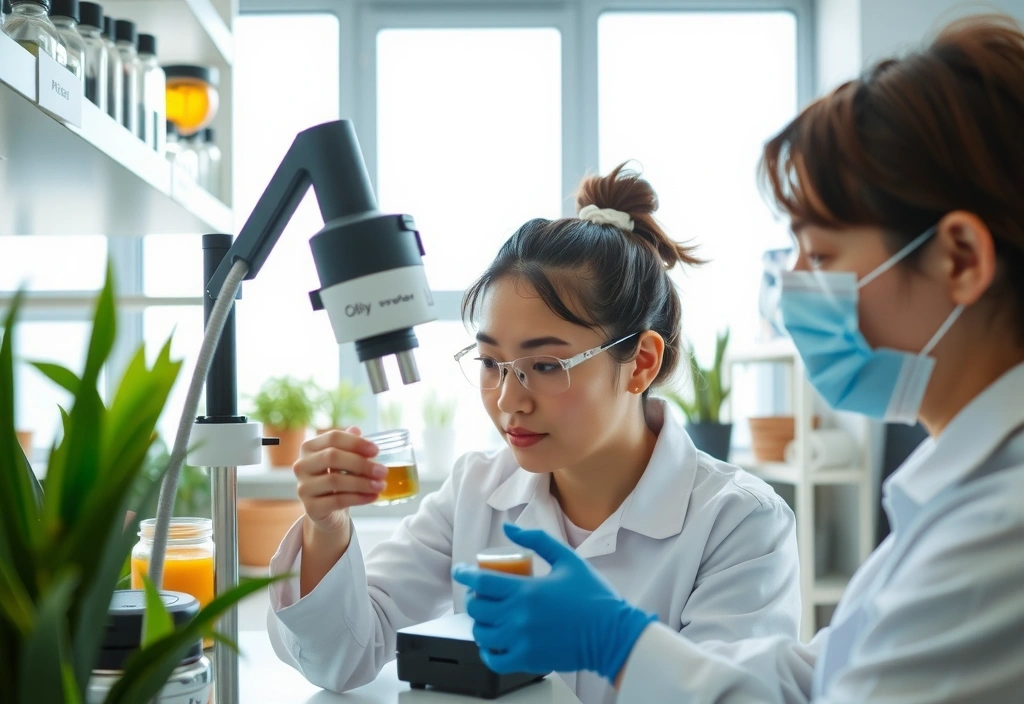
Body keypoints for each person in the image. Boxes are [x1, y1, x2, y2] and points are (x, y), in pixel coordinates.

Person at [454, 15, 1024, 703]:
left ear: (959, 258)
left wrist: (616, 643)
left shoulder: (1001, 526)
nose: (793, 284)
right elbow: (818, 682)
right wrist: (620, 639)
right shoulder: (958, 493)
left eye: (821, 254)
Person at [267, 164, 802, 704]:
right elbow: (343, 656)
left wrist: (613, 642)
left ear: (640, 362)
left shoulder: (739, 522)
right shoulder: (477, 490)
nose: (508, 401)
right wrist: (326, 526)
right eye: (490, 362)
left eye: (545, 365)